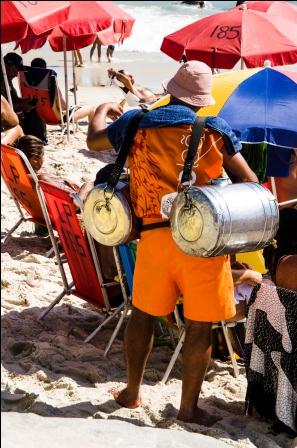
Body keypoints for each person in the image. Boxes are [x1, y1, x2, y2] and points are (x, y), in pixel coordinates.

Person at [87, 61, 258, 425]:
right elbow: (250, 180)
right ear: (201, 98)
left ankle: (131, 393)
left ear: (172, 90)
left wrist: (100, 111)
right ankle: (188, 409)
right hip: (203, 240)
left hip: (154, 237)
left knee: (143, 315)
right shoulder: (215, 129)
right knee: (199, 326)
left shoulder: (135, 122)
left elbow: (94, 140)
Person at [29, 58, 96, 124]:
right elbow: (63, 106)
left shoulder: (27, 85)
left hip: (37, 117)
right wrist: (71, 108)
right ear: (45, 69)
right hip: (57, 118)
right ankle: (93, 132)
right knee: (91, 108)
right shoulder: (50, 85)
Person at [1, 52, 47, 142]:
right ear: (6, 65)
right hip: (5, 120)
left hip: (10, 115)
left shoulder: (7, 80)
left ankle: (38, 138)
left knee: (33, 110)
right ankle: (37, 139)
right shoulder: (2, 81)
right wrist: (22, 105)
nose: (17, 73)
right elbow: (4, 108)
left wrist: (24, 102)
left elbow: (14, 99)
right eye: (16, 69)